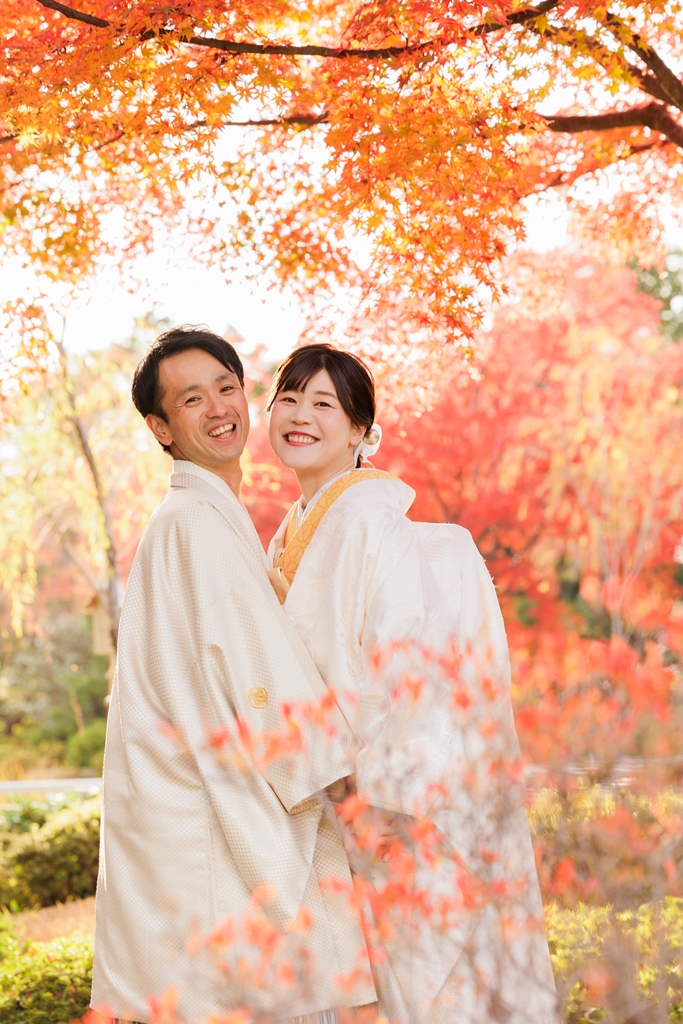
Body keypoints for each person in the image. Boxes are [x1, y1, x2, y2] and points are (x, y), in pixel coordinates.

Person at [90, 328, 377, 1024]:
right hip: (204, 822)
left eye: (226, 387)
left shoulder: (201, 517)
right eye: (192, 399)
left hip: (184, 818)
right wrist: (348, 788)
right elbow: (258, 675)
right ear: (160, 427)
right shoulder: (194, 522)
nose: (219, 407)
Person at [266, 343, 559, 1024]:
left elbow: (405, 664)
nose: (300, 415)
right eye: (289, 398)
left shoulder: (371, 523)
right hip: (327, 789)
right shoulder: (293, 529)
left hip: (378, 797)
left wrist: (381, 794)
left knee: (412, 981)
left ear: (361, 432)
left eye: (323, 404)